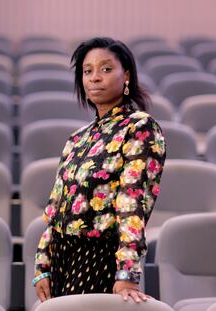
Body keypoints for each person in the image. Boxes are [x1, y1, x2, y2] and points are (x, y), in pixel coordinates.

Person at [32, 37, 166, 304]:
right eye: (87, 70)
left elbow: (132, 202)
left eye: (106, 69)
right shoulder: (78, 137)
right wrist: (42, 265)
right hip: (62, 257)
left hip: (101, 255)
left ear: (126, 75)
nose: (95, 78)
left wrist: (126, 274)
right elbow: (55, 207)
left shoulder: (139, 126)